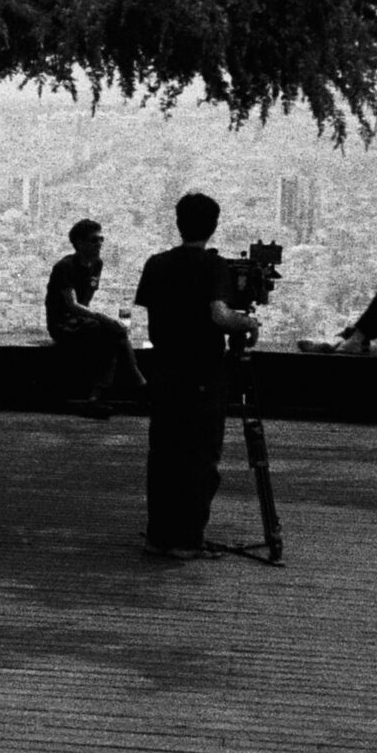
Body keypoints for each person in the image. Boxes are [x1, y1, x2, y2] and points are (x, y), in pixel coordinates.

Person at [133, 191, 256, 560]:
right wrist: (247, 323)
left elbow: (152, 315)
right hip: (202, 371)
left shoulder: (156, 264)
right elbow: (219, 314)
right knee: (200, 456)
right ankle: (187, 540)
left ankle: (158, 535)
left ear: (178, 222)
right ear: (213, 226)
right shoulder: (213, 266)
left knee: (164, 453)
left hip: (164, 368)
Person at [46, 218, 147, 415]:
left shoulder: (97, 264)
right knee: (114, 333)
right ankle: (138, 381)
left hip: (79, 321)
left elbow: (86, 299)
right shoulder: (64, 267)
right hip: (62, 325)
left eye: (101, 239)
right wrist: (104, 319)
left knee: (112, 336)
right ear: (79, 242)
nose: (99, 244)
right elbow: (72, 305)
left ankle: (98, 396)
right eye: (94, 240)